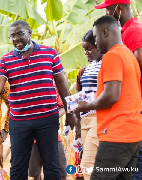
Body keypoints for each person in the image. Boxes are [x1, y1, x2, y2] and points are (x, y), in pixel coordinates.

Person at [0, 20, 76, 180]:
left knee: (52, 165)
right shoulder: (6, 60)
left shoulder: (50, 53)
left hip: (47, 118)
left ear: (29, 33)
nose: (16, 39)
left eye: (20, 34)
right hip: (20, 121)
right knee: (18, 167)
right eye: (12, 36)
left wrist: (69, 112)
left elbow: (61, 83)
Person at [77, 15, 142, 179]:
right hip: (133, 134)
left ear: (105, 32)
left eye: (96, 36)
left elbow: (112, 95)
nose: (96, 42)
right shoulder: (128, 54)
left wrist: (86, 105)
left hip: (116, 134)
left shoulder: (112, 56)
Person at [95, 1, 142, 179]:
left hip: (127, 119)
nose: (107, 13)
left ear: (118, 9)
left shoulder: (134, 31)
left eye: (108, 9)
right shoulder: (124, 34)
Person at [75, 30, 103, 180]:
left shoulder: (105, 63)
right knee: (90, 166)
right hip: (85, 119)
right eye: (84, 49)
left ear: (99, 46)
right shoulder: (88, 68)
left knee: (88, 165)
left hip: (97, 117)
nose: (86, 52)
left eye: (89, 49)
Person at [28, 87, 67, 180]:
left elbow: (63, 106)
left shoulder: (52, 87)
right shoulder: (26, 86)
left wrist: (52, 117)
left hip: (53, 136)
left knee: (62, 170)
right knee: (35, 172)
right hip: (32, 137)